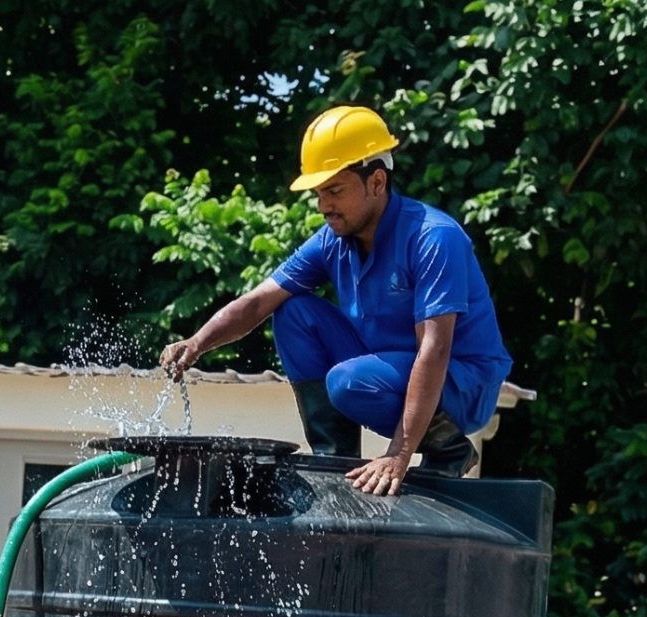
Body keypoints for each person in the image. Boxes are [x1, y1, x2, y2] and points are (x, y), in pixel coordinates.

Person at [160, 105, 514, 496]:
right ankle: (335, 456)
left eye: (335, 190)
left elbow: (435, 347)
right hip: (388, 366)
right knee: (292, 311)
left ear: (376, 182)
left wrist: (397, 455)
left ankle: (449, 451)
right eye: (319, 193)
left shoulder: (432, 237)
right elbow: (259, 301)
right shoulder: (334, 239)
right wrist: (198, 342)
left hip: (461, 381)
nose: (323, 205)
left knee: (348, 383)